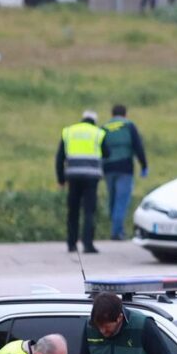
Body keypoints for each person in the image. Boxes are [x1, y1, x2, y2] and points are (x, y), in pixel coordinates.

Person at [56, 109, 106, 254]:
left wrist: (60, 179)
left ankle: (71, 244)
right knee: (89, 211)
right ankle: (88, 244)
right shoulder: (98, 133)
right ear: (94, 121)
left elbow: (60, 158)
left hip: (73, 177)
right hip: (91, 178)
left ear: (82, 118)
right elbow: (107, 152)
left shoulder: (69, 132)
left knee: (73, 211)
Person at [101, 104, 148, 241]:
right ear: (125, 114)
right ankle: (117, 232)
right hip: (125, 168)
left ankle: (115, 227)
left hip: (108, 168)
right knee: (121, 200)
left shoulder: (104, 127)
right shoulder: (128, 126)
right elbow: (138, 146)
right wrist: (144, 165)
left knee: (112, 199)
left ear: (112, 114)